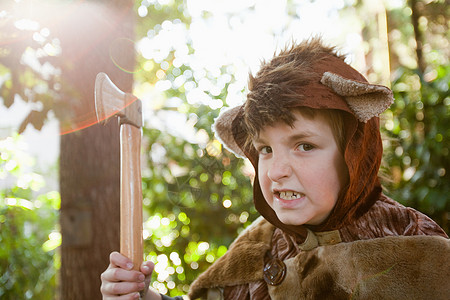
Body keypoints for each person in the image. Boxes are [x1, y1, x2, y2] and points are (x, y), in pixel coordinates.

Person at [100, 38, 448, 300]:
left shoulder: (414, 244)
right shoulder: (258, 247)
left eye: (304, 146)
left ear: (355, 155)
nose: (276, 170)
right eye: (265, 149)